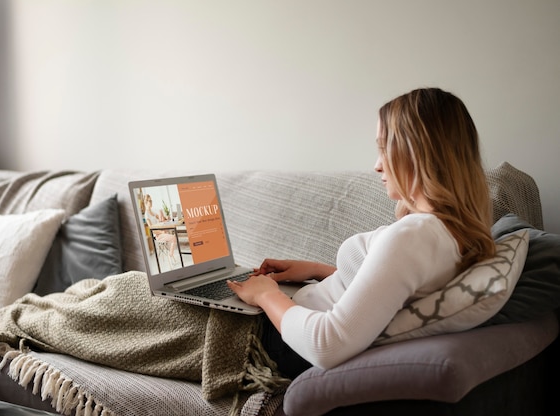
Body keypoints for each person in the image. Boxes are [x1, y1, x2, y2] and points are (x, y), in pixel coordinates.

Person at [228, 87, 497, 378]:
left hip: (278, 340)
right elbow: (388, 292)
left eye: (384, 148)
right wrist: (317, 270)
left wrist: (266, 296)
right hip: (294, 314)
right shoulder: (451, 231)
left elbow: (326, 345)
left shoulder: (414, 236)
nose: (377, 165)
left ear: (418, 152)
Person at [143, 193, 178, 265]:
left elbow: (160, 218)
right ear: (146, 202)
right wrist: (162, 232)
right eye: (150, 201)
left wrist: (165, 217)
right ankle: (170, 255)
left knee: (173, 236)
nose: (151, 202)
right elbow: (152, 229)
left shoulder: (152, 211)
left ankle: (170, 255)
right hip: (157, 235)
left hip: (161, 232)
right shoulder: (147, 215)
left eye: (151, 200)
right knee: (174, 238)